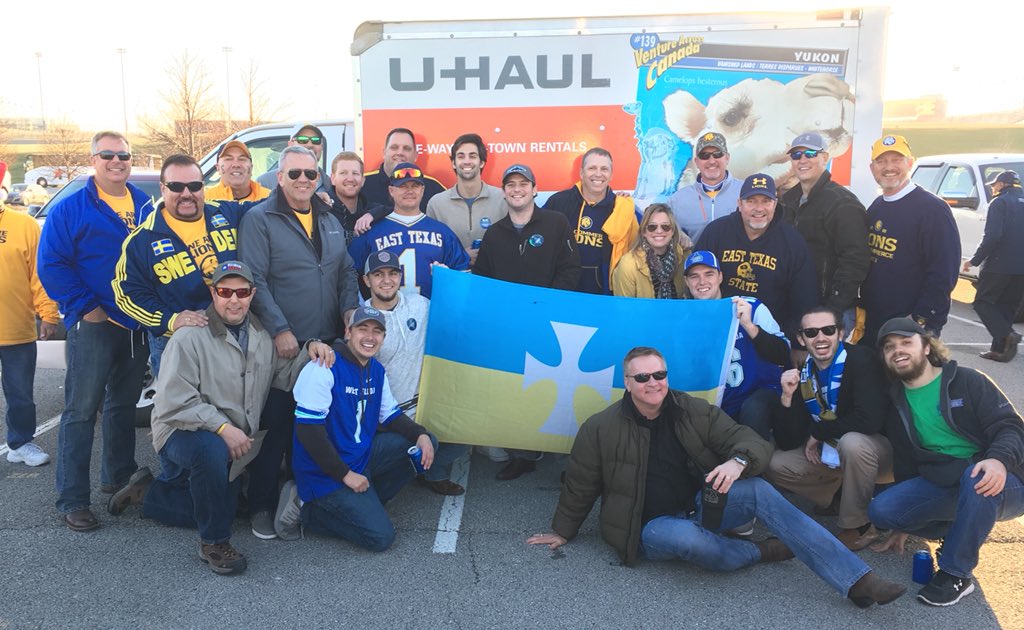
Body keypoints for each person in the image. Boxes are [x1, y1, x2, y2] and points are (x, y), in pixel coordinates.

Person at [527, 346, 905, 608]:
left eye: (659, 373)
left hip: (701, 506)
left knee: (756, 488)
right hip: (651, 527)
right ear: (626, 383)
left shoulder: (691, 409)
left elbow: (748, 440)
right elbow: (580, 483)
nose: (653, 382)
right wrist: (564, 530)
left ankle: (858, 581)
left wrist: (738, 461)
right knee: (688, 538)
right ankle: (760, 551)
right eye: (641, 377)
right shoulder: (601, 427)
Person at [106, 261, 334, 575]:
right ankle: (214, 543)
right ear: (213, 293)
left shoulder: (261, 335)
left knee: (222, 506)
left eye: (241, 291)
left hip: (230, 434)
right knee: (210, 454)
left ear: (252, 294)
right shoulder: (189, 336)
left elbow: (283, 376)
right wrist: (223, 428)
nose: (234, 299)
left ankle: (149, 493)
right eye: (225, 291)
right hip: (180, 429)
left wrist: (312, 349)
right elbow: (173, 401)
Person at [238, 145, 360, 539]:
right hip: (284, 345)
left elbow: (346, 268)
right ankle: (260, 504)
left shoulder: (328, 217)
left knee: (312, 423)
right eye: (295, 175)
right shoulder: (260, 219)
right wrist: (279, 329)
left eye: (311, 174)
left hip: (326, 338)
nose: (304, 180)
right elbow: (253, 278)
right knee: (276, 424)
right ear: (279, 177)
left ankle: (300, 498)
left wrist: (350, 309)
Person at [37, 130, 153, 532]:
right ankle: (72, 498)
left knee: (122, 407)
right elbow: (51, 264)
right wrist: (87, 310)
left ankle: (118, 477)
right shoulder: (71, 209)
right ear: (94, 159)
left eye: (124, 155)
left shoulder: (144, 203)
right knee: (81, 412)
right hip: (95, 326)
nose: (117, 161)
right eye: (108, 155)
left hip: (137, 324)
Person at [870, 317, 1024, 606]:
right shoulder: (896, 401)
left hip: (1006, 478)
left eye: (906, 342)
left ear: (926, 347)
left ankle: (956, 572)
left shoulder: (967, 380)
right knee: (882, 510)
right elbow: (906, 464)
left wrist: (998, 460)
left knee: (976, 478)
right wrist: (907, 524)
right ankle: (960, 531)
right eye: (889, 347)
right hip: (948, 480)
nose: (898, 350)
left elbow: (1009, 426)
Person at [277, 306, 439, 551]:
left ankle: (367, 503)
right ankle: (305, 508)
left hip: (360, 458)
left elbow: (391, 415)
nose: (370, 337)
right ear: (348, 332)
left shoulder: (376, 370)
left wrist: (421, 434)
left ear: (384, 337)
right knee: (380, 538)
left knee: (425, 443)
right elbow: (308, 432)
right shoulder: (323, 367)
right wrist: (345, 475)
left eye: (377, 332)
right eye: (362, 329)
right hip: (324, 473)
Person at [475, 164, 581, 479]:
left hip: (549, 322)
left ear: (535, 189)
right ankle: (523, 453)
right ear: (504, 191)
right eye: (511, 184)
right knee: (516, 387)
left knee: (554, 385)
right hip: (510, 328)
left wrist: (544, 304)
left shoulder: (556, 223)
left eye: (524, 183)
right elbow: (483, 283)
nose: (517, 189)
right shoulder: (494, 234)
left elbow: (571, 269)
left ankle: (561, 453)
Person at [766, 305, 893, 550]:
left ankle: (859, 525)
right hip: (832, 452)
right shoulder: (806, 373)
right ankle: (839, 496)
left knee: (852, 442)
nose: (820, 337)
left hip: (879, 454)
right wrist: (787, 398)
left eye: (828, 330)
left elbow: (869, 420)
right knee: (775, 464)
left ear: (841, 333)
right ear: (801, 339)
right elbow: (789, 440)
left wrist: (818, 432)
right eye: (811, 332)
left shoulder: (862, 360)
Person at [114, 154, 250, 376]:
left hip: (232, 334)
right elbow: (126, 294)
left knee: (234, 404)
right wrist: (170, 319)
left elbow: (269, 208)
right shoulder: (142, 240)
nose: (186, 194)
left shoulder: (226, 213)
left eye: (194, 186)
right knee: (181, 407)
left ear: (203, 187)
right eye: (176, 186)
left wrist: (316, 196)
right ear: (163, 188)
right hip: (177, 342)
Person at [361, 250, 466, 495]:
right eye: (378, 274)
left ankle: (430, 471)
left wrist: (447, 284)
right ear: (367, 280)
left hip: (427, 403)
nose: (386, 280)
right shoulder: (362, 321)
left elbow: (454, 321)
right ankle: (405, 468)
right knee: (417, 444)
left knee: (469, 432)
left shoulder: (420, 305)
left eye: (392, 273)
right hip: (391, 416)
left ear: (401, 276)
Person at [861, 135, 960, 346]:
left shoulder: (932, 210)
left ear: (910, 163)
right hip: (876, 322)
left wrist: (919, 318)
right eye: (881, 161)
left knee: (909, 379)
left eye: (896, 160)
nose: (889, 167)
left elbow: (944, 273)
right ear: (872, 168)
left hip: (911, 327)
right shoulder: (877, 206)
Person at [682, 250, 790, 440]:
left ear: (720, 276)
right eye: (694, 276)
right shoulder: (685, 320)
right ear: (686, 282)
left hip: (757, 394)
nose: (702, 282)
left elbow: (782, 354)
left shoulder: (751, 307)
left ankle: (756, 466)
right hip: (718, 400)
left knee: (753, 409)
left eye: (709, 274)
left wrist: (749, 326)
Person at [695, 173, 817, 337]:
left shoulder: (792, 242)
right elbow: (695, 278)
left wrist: (797, 344)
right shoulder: (717, 232)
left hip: (772, 335)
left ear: (775, 204)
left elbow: (804, 297)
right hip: (719, 330)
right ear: (739, 203)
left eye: (766, 201)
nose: (759, 208)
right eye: (751, 201)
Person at [0, 161, 60, 466]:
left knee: (21, 394)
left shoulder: (23, 225)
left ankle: (20, 443)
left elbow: (39, 274)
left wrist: (48, 313)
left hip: (15, 329)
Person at [780, 132, 870, 333]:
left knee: (830, 364)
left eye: (810, 153)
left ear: (825, 158)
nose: (802, 160)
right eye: (796, 155)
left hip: (830, 311)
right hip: (797, 306)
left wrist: (834, 308)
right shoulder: (788, 200)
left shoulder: (842, 203)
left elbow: (855, 260)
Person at [348, 162, 471, 300]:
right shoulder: (372, 231)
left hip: (431, 316)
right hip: (387, 316)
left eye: (415, 186)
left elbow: (463, 275)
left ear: (422, 190)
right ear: (391, 190)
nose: (410, 191)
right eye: (403, 186)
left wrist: (447, 278)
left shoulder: (442, 232)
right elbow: (349, 273)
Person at [544, 148, 639, 295]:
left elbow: (651, 228)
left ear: (611, 175)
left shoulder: (622, 208)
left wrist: (680, 234)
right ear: (582, 173)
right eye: (592, 168)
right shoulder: (558, 202)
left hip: (604, 295)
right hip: (563, 292)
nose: (598, 174)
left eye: (604, 169)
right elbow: (534, 225)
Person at [962, 170, 1024, 362]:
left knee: (982, 302)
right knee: (1006, 306)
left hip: (998, 265)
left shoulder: (999, 203)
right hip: (1021, 268)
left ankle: (1008, 335)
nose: (993, 188)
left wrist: (975, 260)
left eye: (994, 185)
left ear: (1002, 185)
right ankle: (1000, 350)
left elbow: (993, 236)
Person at [426, 133, 509, 266]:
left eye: (472, 156)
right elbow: (431, 252)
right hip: (455, 281)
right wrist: (462, 256)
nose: (466, 161)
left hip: (494, 281)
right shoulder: (436, 204)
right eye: (461, 156)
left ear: (482, 162)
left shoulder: (503, 199)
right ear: (453, 163)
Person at [666, 131, 741, 243]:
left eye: (717, 154)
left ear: (727, 158)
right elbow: (657, 228)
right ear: (696, 161)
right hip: (695, 260)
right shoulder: (678, 200)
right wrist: (676, 234)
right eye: (704, 156)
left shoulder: (745, 192)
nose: (711, 161)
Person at [610, 203, 689, 298]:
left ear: (672, 231)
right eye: (652, 227)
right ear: (643, 231)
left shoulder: (684, 256)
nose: (659, 231)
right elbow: (625, 308)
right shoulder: (628, 264)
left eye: (665, 227)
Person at [362, 127, 445, 211]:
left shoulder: (434, 188)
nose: (400, 153)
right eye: (394, 147)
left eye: (406, 148)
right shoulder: (362, 184)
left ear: (416, 155)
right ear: (384, 152)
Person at [324, 151, 388, 246]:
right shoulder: (322, 210)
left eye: (355, 173)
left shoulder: (370, 209)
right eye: (343, 173)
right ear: (332, 179)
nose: (350, 179)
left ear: (363, 180)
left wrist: (371, 215)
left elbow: (392, 210)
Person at [256, 123, 332, 193]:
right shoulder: (265, 182)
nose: (310, 144)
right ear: (290, 144)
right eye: (302, 140)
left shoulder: (331, 185)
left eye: (316, 141)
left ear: (321, 146)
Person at [204, 140, 271, 203]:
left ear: (251, 167)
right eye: (228, 159)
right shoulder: (205, 201)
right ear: (218, 168)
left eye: (242, 159)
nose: (236, 165)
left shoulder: (270, 199)